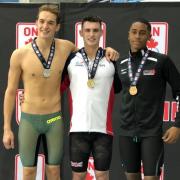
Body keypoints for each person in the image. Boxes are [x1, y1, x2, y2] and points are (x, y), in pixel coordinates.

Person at [2, 4, 119, 180]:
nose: (45, 26)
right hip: (29, 118)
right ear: (36, 23)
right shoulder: (20, 54)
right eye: (41, 21)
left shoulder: (67, 48)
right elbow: (10, 91)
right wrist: (6, 128)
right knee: (27, 172)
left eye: (50, 22)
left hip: (54, 118)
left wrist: (107, 50)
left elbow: (89, 53)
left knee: (54, 171)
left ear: (57, 27)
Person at [115, 18, 180, 180]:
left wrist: (178, 125)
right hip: (126, 131)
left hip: (151, 132)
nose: (137, 36)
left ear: (149, 37)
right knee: (131, 177)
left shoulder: (161, 61)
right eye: (134, 32)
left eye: (142, 33)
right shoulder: (120, 63)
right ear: (128, 35)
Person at [61, 16, 121, 180]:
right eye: (87, 30)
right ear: (81, 32)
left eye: (95, 30)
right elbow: (57, 87)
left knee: (102, 175)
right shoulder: (72, 59)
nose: (91, 34)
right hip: (77, 130)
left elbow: (119, 88)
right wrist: (29, 97)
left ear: (101, 32)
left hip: (103, 130)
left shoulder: (111, 59)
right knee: (78, 176)